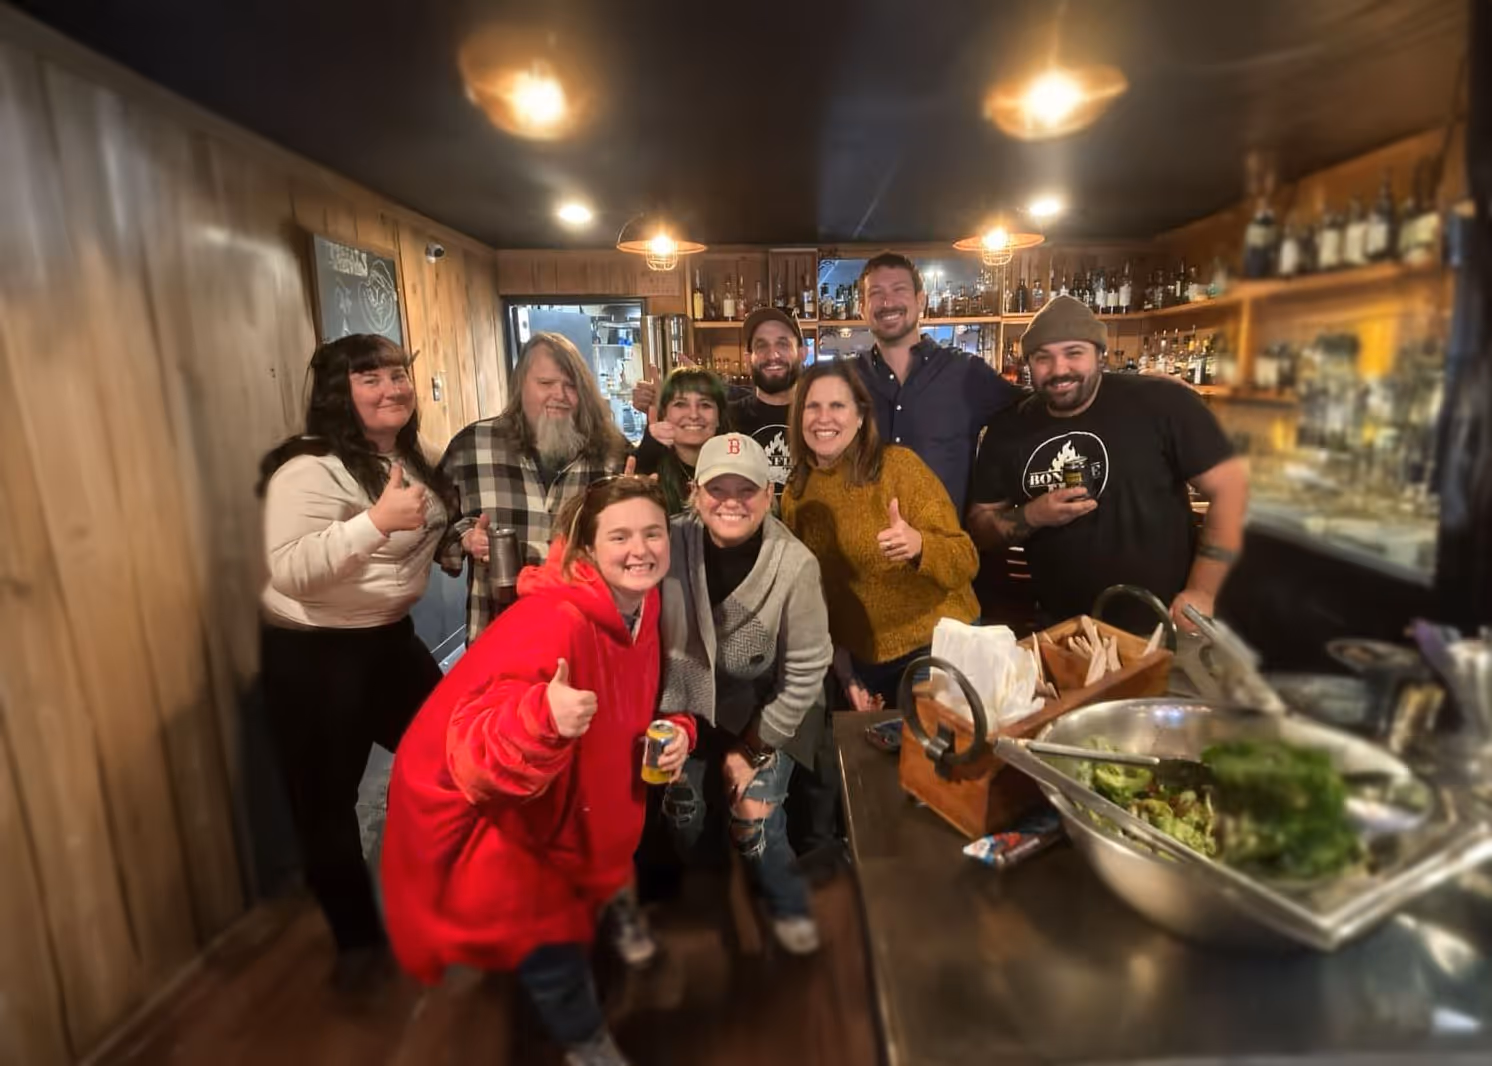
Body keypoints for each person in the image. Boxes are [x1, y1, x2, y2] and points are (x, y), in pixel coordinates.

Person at [381, 476, 693, 1066]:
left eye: (653, 533)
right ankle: (585, 1043)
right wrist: (541, 717)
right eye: (620, 536)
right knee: (553, 949)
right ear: (586, 549)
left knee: (596, 890)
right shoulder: (555, 621)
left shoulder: (643, 601)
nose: (640, 550)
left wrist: (678, 731)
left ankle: (610, 928)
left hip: (583, 809)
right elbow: (471, 749)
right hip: (517, 831)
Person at [256, 334, 458, 988]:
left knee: (456, 752)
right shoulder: (307, 469)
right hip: (314, 650)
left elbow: (418, 541)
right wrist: (373, 521)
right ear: (340, 392)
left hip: (389, 640)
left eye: (398, 374)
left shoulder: (411, 456)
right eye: (370, 378)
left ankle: (450, 894)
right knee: (327, 799)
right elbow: (291, 570)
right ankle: (357, 943)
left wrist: (456, 547)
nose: (392, 387)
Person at [966, 295, 1249, 631]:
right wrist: (1033, 515)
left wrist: (1202, 592)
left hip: (1162, 620)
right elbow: (979, 527)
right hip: (1063, 626)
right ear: (1028, 362)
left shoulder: (1160, 402)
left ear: (1100, 354)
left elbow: (1234, 488)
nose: (1059, 370)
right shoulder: (1009, 428)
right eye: (1043, 358)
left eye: (1074, 353)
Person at [656, 433, 833, 953]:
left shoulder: (794, 564)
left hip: (770, 706)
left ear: (769, 495)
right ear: (694, 492)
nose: (731, 501)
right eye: (717, 488)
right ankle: (715, 907)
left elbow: (804, 672)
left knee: (752, 821)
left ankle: (787, 905)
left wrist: (753, 750)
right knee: (682, 810)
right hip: (687, 704)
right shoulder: (666, 541)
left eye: (747, 489)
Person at [781, 361, 980, 709]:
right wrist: (845, 673)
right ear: (799, 418)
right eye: (812, 406)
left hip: (935, 642)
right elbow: (816, 596)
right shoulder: (796, 493)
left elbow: (966, 559)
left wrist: (920, 546)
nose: (823, 418)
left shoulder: (898, 467)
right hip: (862, 661)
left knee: (926, 755)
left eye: (837, 406)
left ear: (860, 417)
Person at [440, 332, 631, 642]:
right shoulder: (471, 447)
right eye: (546, 384)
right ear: (520, 386)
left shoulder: (613, 453)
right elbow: (432, 528)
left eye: (571, 386)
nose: (560, 395)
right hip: (497, 636)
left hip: (585, 637)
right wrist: (464, 538)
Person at [851, 251, 1021, 515]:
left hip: (945, 550)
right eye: (875, 293)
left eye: (899, 289)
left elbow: (1031, 416)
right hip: (863, 548)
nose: (887, 301)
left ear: (921, 301)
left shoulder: (966, 372)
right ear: (862, 308)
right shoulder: (845, 379)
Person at [632, 307, 806, 488]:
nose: (773, 355)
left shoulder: (818, 417)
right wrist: (658, 426)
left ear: (802, 353)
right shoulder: (725, 417)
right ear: (747, 358)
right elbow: (673, 468)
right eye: (761, 346)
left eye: (783, 344)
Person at [631, 366, 729, 514]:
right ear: (664, 415)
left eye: (705, 405)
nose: (694, 415)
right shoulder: (646, 469)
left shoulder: (736, 470)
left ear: (718, 419)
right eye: (681, 404)